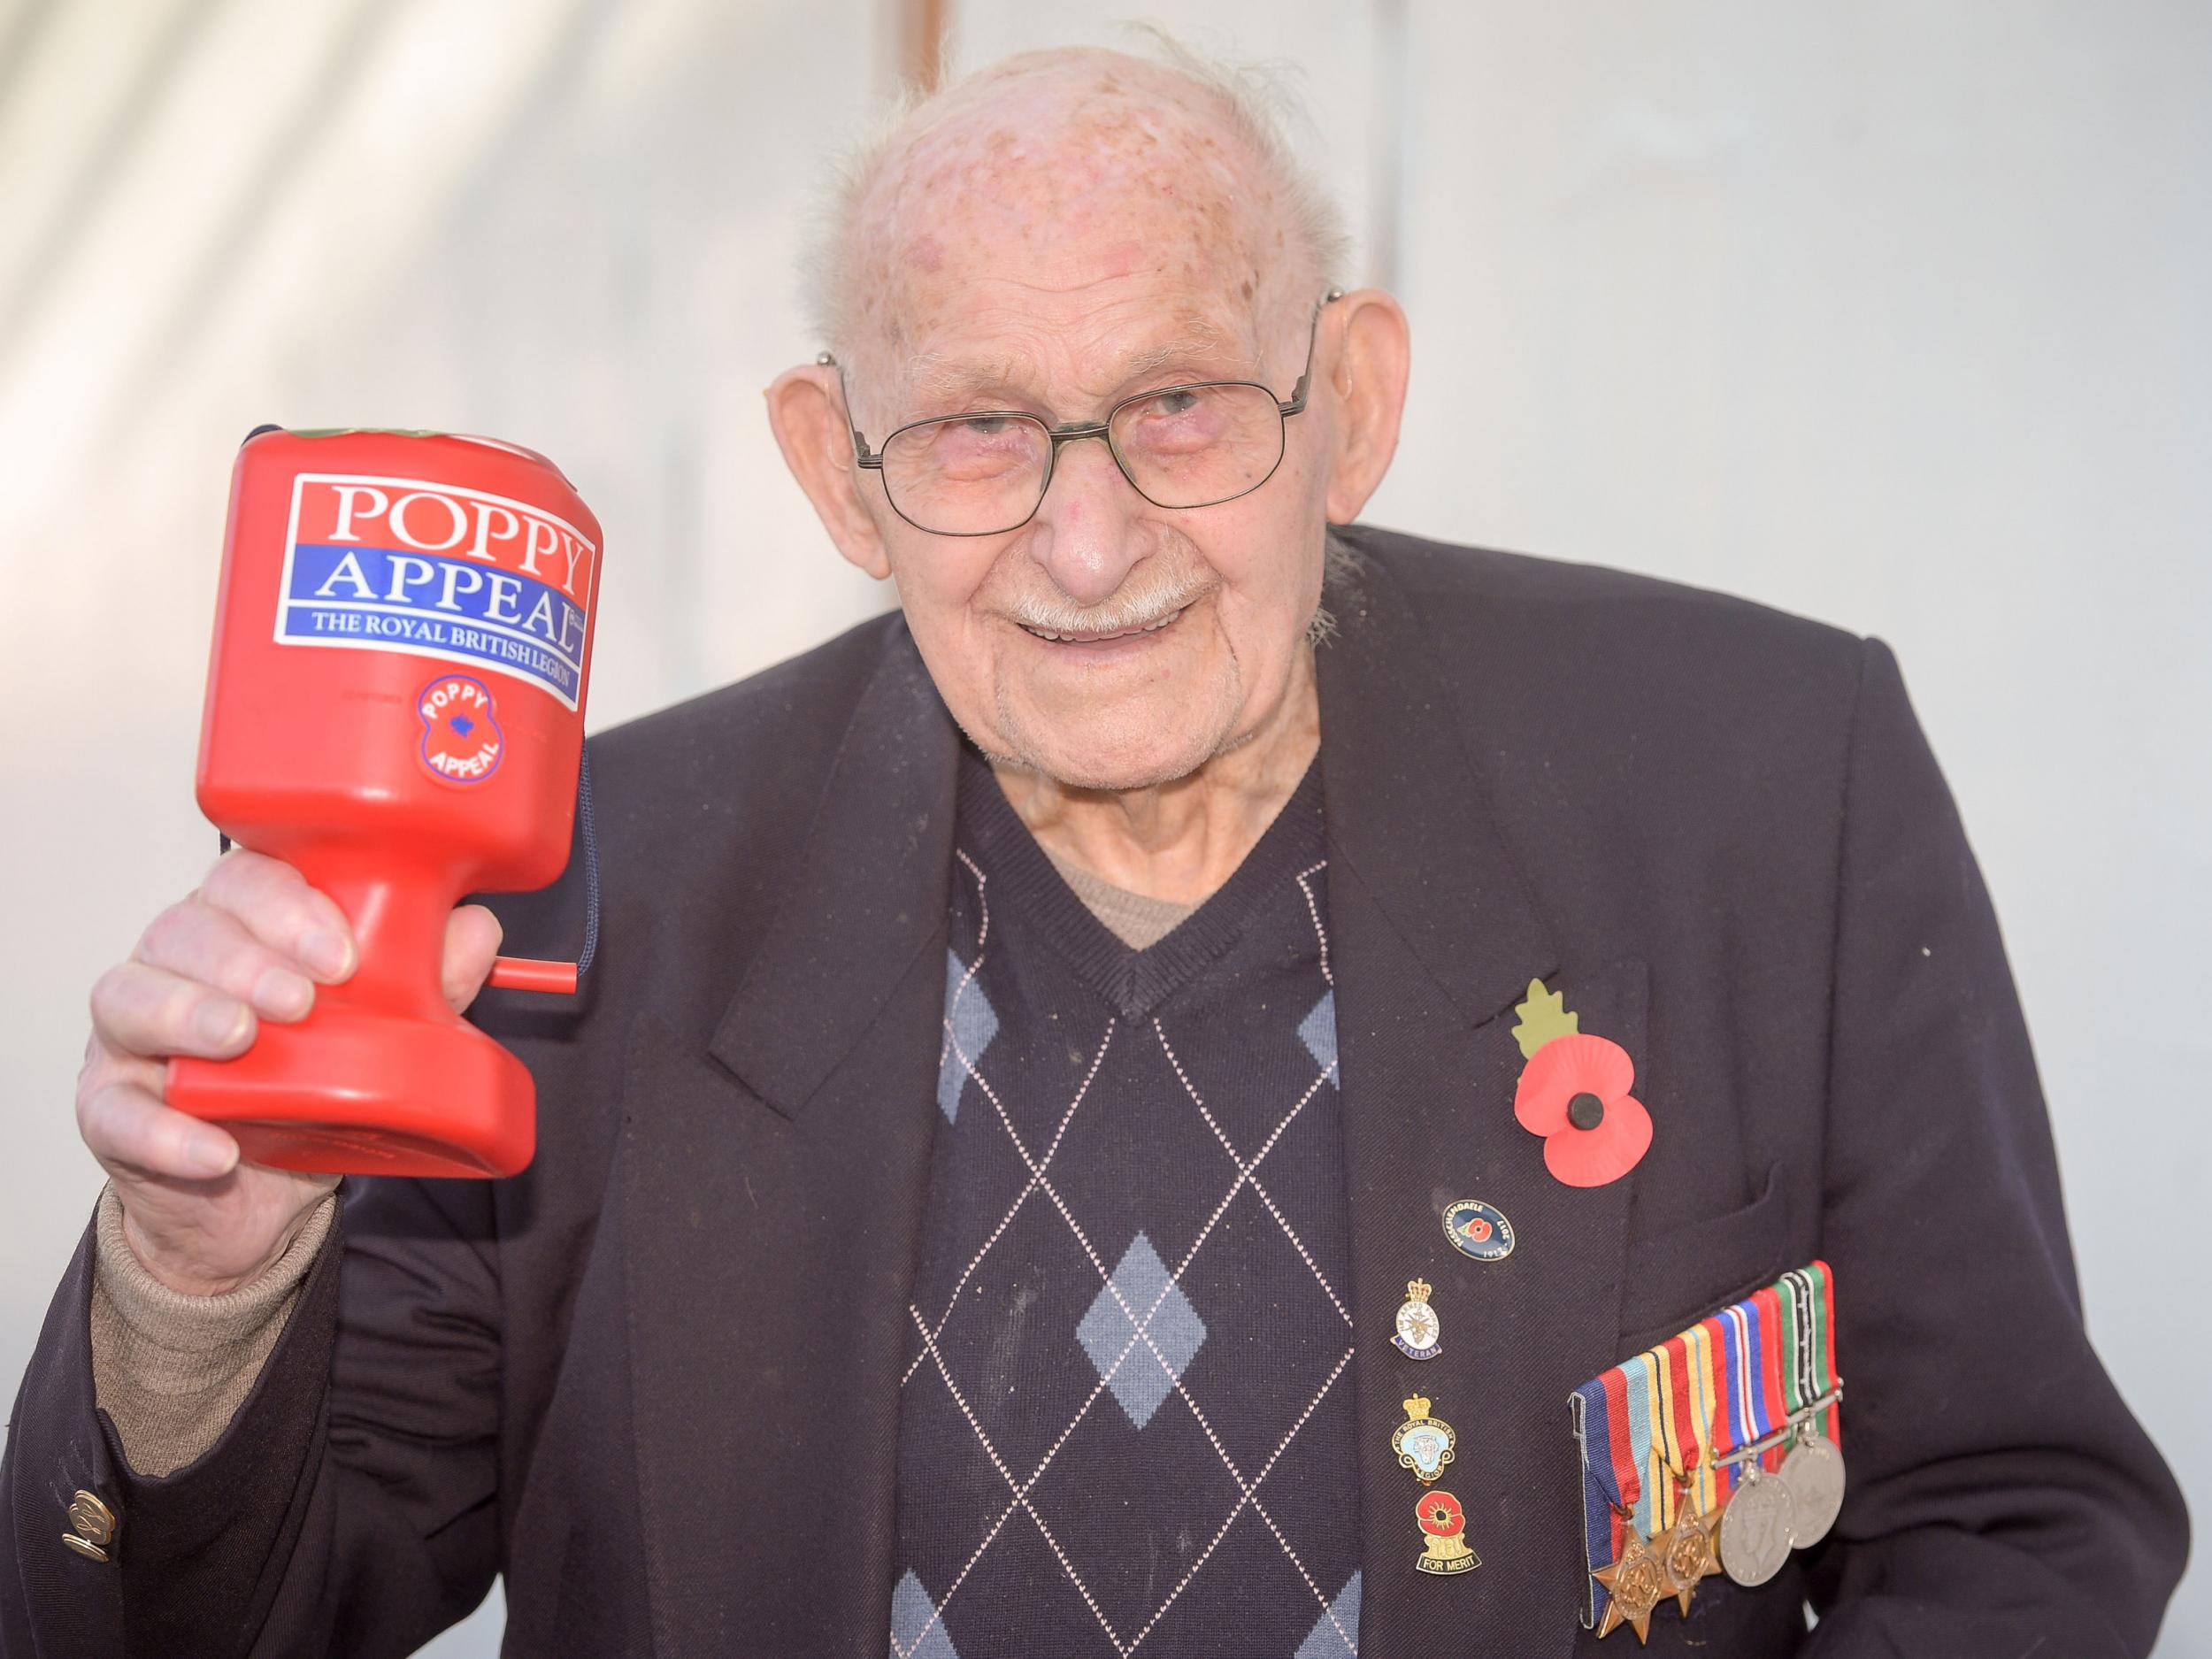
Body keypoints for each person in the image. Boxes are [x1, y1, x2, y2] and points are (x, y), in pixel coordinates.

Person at [1, 39, 2186, 1659]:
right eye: (972, 424)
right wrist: (203, 1284)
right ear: (836, 473)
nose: (1082, 535)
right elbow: (212, 1619)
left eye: (1175, 404)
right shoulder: (601, 889)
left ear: (1351, 397)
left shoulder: (1754, 778)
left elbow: (2013, 1520)